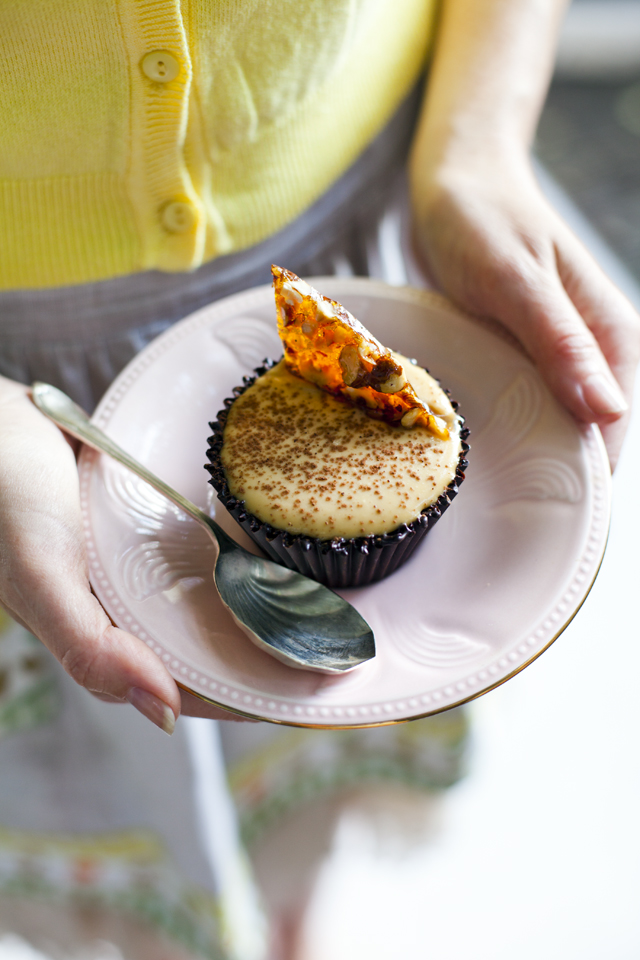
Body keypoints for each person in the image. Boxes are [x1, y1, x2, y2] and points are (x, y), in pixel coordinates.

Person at [0, 1, 638, 958]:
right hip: (23, 407)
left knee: (332, 729)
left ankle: (292, 913)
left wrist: (479, 145)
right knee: (124, 782)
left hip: (370, 259)